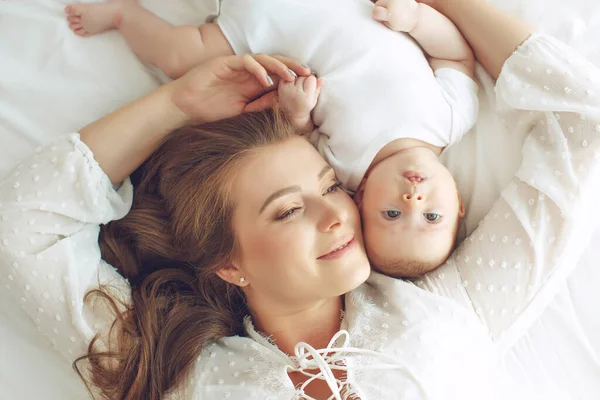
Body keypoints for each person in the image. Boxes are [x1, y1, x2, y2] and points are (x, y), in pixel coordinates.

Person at [2, 0, 600, 399]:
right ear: (228, 263)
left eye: (331, 186)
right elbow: (24, 225)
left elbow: (583, 123)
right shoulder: (179, 371)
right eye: (288, 210)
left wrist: (442, 8)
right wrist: (174, 105)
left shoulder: (452, 310)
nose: (338, 211)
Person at [64, 0, 480, 277]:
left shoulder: (342, 167)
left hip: (260, 27)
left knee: (179, 56)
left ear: (362, 198)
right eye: (432, 217)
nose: (412, 202)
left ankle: (122, 14)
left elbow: (296, 134)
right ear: (458, 202)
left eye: (391, 215)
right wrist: (418, 21)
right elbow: (454, 54)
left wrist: (297, 110)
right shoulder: (452, 118)